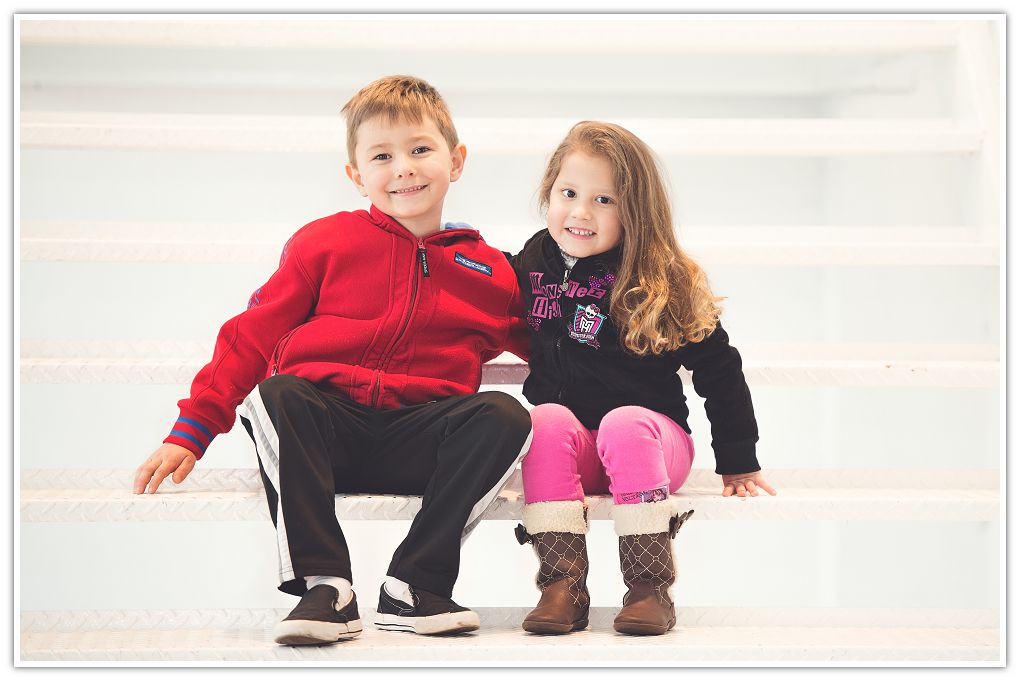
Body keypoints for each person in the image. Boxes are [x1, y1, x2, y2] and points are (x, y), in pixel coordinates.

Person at [132, 75, 533, 645]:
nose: (404, 168)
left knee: (504, 414)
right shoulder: (324, 243)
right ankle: (326, 588)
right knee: (279, 393)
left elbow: (554, 348)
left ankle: (415, 585)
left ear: (456, 160)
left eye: (420, 149)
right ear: (356, 175)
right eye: (382, 156)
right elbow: (250, 337)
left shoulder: (490, 271)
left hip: (423, 445)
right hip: (322, 439)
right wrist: (193, 429)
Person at [509, 121, 775, 637]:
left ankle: (650, 588)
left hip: (651, 448)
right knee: (543, 420)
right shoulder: (536, 259)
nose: (580, 212)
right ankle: (562, 586)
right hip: (575, 455)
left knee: (625, 422)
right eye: (568, 193)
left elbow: (719, 369)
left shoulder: (659, 278)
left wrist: (738, 458)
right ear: (549, 192)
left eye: (604, 200)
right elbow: (487, 298)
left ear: (634, 212)